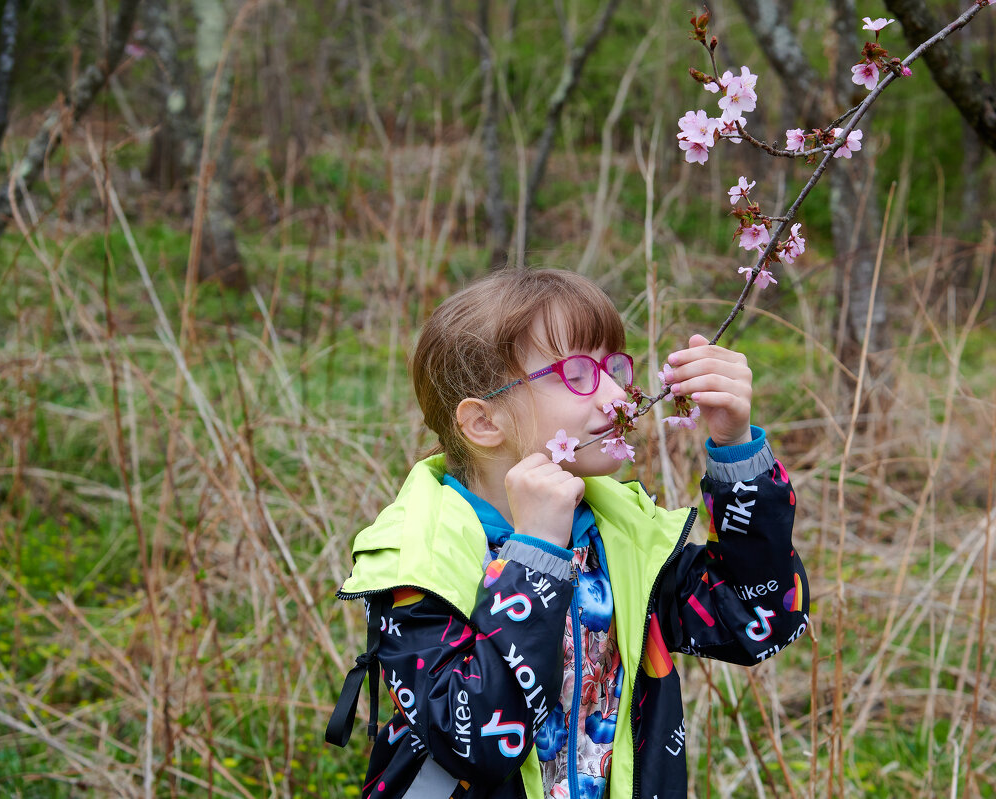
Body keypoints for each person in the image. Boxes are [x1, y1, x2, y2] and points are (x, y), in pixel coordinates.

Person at [326, 268, 810, 799]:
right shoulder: (418, 561)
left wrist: (736, 448)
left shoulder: (622, 540)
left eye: (614, 367)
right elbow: (476, 747)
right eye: (577, 372)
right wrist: (534, 554)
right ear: (485, 423)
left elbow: (755, 619)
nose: (615, 393)